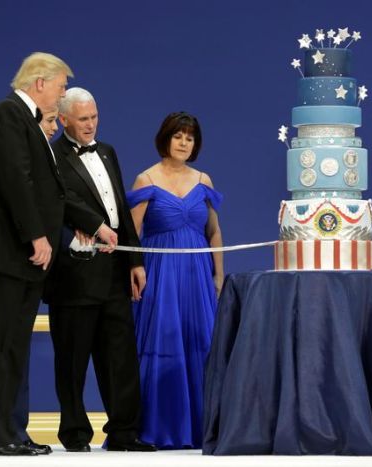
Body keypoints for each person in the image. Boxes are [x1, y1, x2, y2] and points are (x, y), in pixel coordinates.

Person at [0, 54, 118, 456]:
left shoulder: (29, 122)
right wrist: (37, 235)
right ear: (40, 83)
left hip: (27, 258)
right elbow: (16, 181)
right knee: (2, 346)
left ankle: (12, 431)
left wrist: (84, 227)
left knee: (15, 348)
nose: (60, 95)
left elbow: (48, 189)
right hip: (12, 253)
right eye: (59, 87)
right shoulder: (7, 114)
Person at [45, 87, 156, 453]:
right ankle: (75, 435)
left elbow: (121, 211)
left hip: (113, 273)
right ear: (64, 121)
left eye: (94, 117)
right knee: (73, 359)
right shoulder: (52, 156)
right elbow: (62, 199)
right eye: (82, 119)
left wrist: (135, 260)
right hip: (75, 275)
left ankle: (124, 433)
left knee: (120, 357)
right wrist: (94, 224)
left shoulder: (107, 151)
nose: (91, 125)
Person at [127, 112, 223, 449]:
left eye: (190, 138)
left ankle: (202, 428)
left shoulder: (204, 180)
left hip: (197, 275)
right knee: (162, 344)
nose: (184, 143)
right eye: (178, 136)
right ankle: (159, 428)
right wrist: (133, 268)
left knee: (201, 344)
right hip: (159, 273)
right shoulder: (146, 180)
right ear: (165, 138)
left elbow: (214, 232)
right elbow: (133, 232)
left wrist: (218, 275)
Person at [10, 104, 61, 446]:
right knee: (12, 351)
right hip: (21, 260)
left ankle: (18, 429)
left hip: (39, 265)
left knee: (20, 351)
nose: (55, 126)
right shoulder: (28, 157)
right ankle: (11, 429)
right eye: (51, 120)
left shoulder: (46, 155)